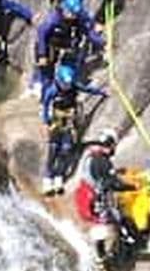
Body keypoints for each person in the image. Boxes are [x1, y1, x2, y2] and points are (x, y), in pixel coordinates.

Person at [74, 127, 139, 267]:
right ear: (110, 145)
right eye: (114, 146)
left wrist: (115, 171)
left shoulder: (90, 156)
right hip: (97, 201)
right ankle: (133, 246)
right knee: (119, 220)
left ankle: (100, 257)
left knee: (100, 226)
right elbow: (112, 183)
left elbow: (97, 174)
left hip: (86, 199)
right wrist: (132, 187)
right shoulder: (102, 162)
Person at [41, 63, 107, 195]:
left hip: (70, 121)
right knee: (53, 149)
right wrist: (46, 118)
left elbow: (88, 89)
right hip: (56, 121)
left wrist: (101, 93)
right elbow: (46, 104)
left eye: (68, 85)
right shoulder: (52, 90)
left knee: (65, 149)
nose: (66, 88)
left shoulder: (74, 86)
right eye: (64, 85)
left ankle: (59, 175)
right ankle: (48, 177)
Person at [34, 0, 105, 91]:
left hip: (66, 41)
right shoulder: (53, 19)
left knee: (72, 58)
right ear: (65, 9)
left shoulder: (78, 17)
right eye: (71, 13)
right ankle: (39, 83)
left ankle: (67, 80)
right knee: (46, 66)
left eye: (75, 14)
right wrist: (42, 55)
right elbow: (42, 34)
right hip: (49, 43)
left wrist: (101, 42)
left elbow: (88, 31)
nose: (73, 16)